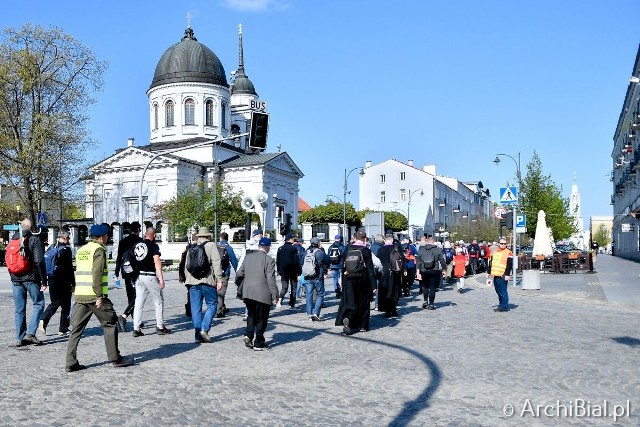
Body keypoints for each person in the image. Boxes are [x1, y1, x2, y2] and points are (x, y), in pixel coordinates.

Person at [65, 224, 133, 372]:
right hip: (95, 296)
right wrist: (99, 296)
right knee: (110, 323)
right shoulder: (99, 250)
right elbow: (96, 273)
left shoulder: (82, 250)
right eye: (107, 236)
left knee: (76, 328)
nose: (108, 238)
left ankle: (70, 362)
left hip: (81, 295)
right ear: (102, 237)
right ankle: (115, 358)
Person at [235, 237, 279, 351]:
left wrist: (240, 285)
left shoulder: (248, 257)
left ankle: (248, 335)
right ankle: (258, 342)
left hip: (248, 292)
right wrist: (275, 295)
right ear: (268, 247)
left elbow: (239, 273)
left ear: (259, 246)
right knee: (262, 317)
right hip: (262, 293)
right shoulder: (269, 260)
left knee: (251, 314)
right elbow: (271, 279)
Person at [181, 227, 224, 343]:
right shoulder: (211, 245)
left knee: (195, 309)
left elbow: (186, 265)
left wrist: (187, 280)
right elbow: (216, 263)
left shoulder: (191, 246)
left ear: (198, 236)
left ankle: (197, 336)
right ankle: (204, 329)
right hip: (207, 281)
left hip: (192, 282)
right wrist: (219, 279)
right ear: (208, 236)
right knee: (212, 304)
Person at [9, 219, 47, 346]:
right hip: (31, 278)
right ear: (31, 228)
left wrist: (14, 275)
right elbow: (39, 261)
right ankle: (30, 334)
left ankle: (19, 338)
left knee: (19, 309)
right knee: (39, 304)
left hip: (15, 278)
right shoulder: (34, 240)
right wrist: (43, 280)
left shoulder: (13, 240)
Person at [131, 226, 171, 337]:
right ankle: (160, 326)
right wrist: (161, 278)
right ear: (154, 235)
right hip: (150, 276)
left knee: (139, 302)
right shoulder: (153, 246)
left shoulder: (137, 245)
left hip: (139, 276)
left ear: (145, 234)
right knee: (158, 301)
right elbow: (157, 262)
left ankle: (136, 328)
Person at [335, 230, 377, 334]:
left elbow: (343, 265)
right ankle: (363, 326)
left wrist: (341, 279)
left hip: (348, 278)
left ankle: (349, 319)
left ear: (355, 237)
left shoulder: (348, 248)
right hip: (362, 280)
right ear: (365, 238)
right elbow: (370, 269)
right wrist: (373, 285)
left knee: (350, 301)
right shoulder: (366, 250)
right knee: (363, 302)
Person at [39, 231, 75, 336]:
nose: (68, 240)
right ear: (63, 238)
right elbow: (69, 268)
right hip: (64, 281)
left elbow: (42, 264)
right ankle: (63, 328)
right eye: (68, 238)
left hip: (52, 279)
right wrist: (73, 283)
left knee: (54, 302)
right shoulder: (66, 250)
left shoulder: (50, 248)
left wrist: (44, 280)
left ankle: (43, 319)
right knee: (66, 304)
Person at [114, 221, 143, 332]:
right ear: (138, 230)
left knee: (130, 295)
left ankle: (135, 319)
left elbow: (119, 258)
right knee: (138, 295)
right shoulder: (140, 241)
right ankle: (125, 316)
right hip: (136, 271)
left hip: (125, 271)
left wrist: (116, 271)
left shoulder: (123, 241)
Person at [416, 236, 446, 310]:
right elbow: (442, 261)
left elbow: (418, 262)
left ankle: (425, 301)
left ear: (427, 241)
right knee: (432, 287)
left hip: (424, 271)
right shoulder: (437, 250)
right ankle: (431, 304)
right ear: (433, 242)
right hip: (434, 270)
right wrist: (444, 270)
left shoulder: (421, 250)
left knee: (425, 286)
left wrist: (417, 272)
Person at [376, 233, 402, 318]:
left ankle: (387, 311)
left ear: (385, 240)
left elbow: (378, 262)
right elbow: (401, 260)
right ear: (392, 240)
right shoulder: (396, 248)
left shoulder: (381, 250)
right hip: (396, 271)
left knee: (386, 290)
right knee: (395, 290)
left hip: (385, 272)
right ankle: (394, 309)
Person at [302, 237, 326, 321]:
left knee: (309, 296)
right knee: (320, 294)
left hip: (308, 277)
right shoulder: (320, 252)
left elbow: (301, 262)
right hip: (318, 277)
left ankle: (309, 314)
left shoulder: (306, 252)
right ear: (318, 243)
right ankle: (316, 313)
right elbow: (327, 261)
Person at [215, 232, 238, 318]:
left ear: (220, 238)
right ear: (227, 238)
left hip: (214, 272)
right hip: (224, 272)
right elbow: (234, 261)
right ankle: (219, 311)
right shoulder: (228, 248)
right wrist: (238, 272)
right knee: (221, 291)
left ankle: (223, 307)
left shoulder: (215, 246)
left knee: (216, 290)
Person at [276, 233, 300, 309]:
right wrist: (299, 272)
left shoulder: (280, 248)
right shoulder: (293, 248)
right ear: (289, 239)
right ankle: (291, 304)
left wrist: (279, 271)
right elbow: (296, 261)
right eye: (293, 239)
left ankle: (279, 300)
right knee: (294, 287)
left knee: (284, 287)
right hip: (292, 271)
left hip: (283, 271)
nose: (294, 240)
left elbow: (278, 261)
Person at [489, 238, 513, 312]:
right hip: (496, 274)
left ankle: (504, 306)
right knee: (498, 291)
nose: (503, 245)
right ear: (498, 244)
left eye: (505, 244)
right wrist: (488, 272)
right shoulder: (496, 252)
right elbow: (492, 263)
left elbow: (509, 265)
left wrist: (507, 274)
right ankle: (501, 304)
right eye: (502, 243)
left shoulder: (508, 252)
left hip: (502, 274)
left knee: (503, 291)